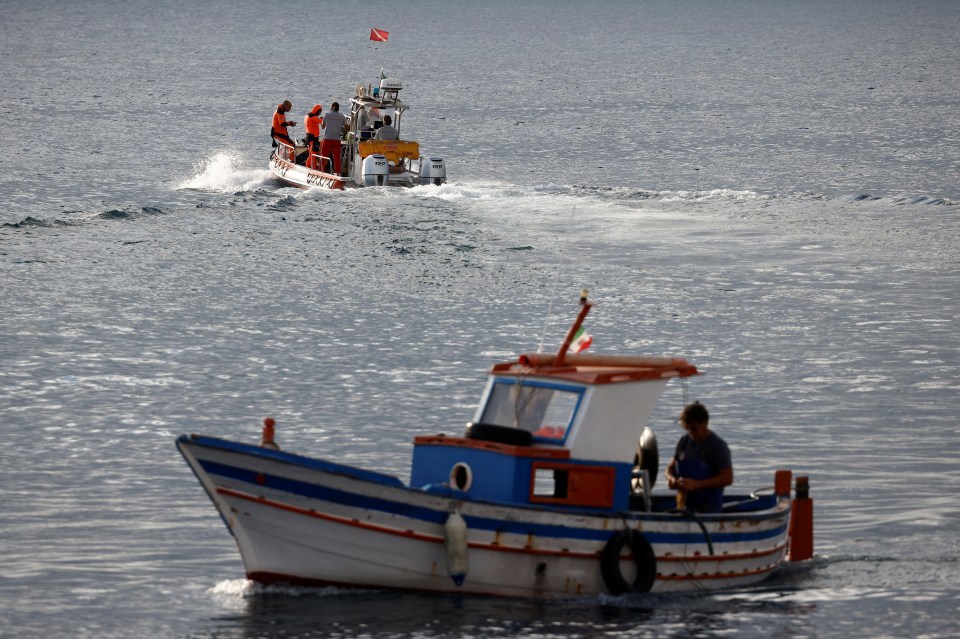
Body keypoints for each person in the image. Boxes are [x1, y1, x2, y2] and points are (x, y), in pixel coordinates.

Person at [664, 402, 733, 513]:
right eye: (687, 429)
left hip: (709, 508)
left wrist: (696, 485)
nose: (691, 433)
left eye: (694, 428)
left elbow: (727, 478)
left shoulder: (718, 446)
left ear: (705, 423)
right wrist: (671, 478)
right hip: (685, 506)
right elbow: (670, 468)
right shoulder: (684, 441)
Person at [319, 101, 348, 174]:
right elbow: (347, 128)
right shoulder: (342, 116)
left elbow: (323, 127)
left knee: (323, 156)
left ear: (332, 107)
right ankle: (337, 172)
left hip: (327, 140)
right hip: (336, 140)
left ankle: (321, 171)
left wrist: (322, 120)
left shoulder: (327, 115)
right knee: (337, 158)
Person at [304, 104, 323, 169]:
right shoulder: (313, 117)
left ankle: (308, 166)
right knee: (313, 154)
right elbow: (321, 121)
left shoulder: (307, 115)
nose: (320, 113)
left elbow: (315, 122)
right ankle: (313, 168)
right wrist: (322, 119)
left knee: (311, 154)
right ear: (317, 111)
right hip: (313, 138)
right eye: (320, 112)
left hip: (309, 136)